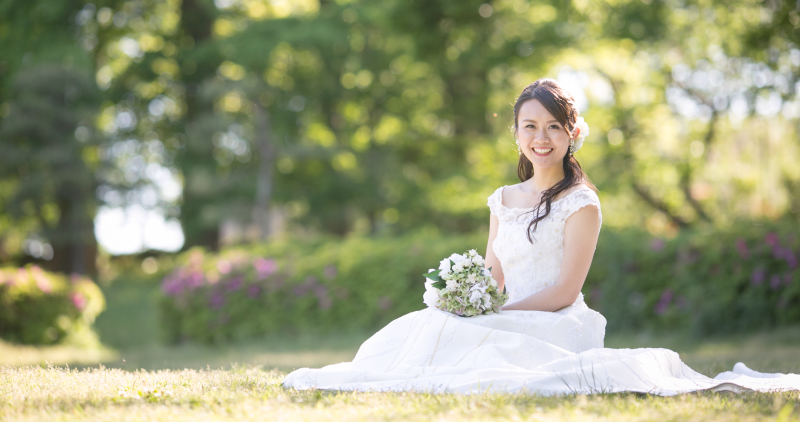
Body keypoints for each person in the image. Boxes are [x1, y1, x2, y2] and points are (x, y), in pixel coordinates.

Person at [283, 78, 800, 395]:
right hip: (507, 313)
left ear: (571, 134)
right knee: (422, 327)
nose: (541, 138)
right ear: (515, 134)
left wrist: (496, 317)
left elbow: (565, 291)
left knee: (475, 343)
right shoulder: (501, 199)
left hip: (555, 322)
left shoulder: (583, 203)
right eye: (529, 127)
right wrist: (466, 302)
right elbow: (494, 274)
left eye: (553, 127)